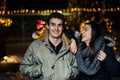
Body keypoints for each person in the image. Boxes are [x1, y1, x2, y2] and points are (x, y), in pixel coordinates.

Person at [19, 12, 79, 80]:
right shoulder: (36, 46)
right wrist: (40, 69)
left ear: (62, 28)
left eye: (59, 25)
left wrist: (69, 71)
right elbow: (23, 68)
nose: (56, 28)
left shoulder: (70, 47)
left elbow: (77, 69)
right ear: (47, 26)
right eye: (53, 25)